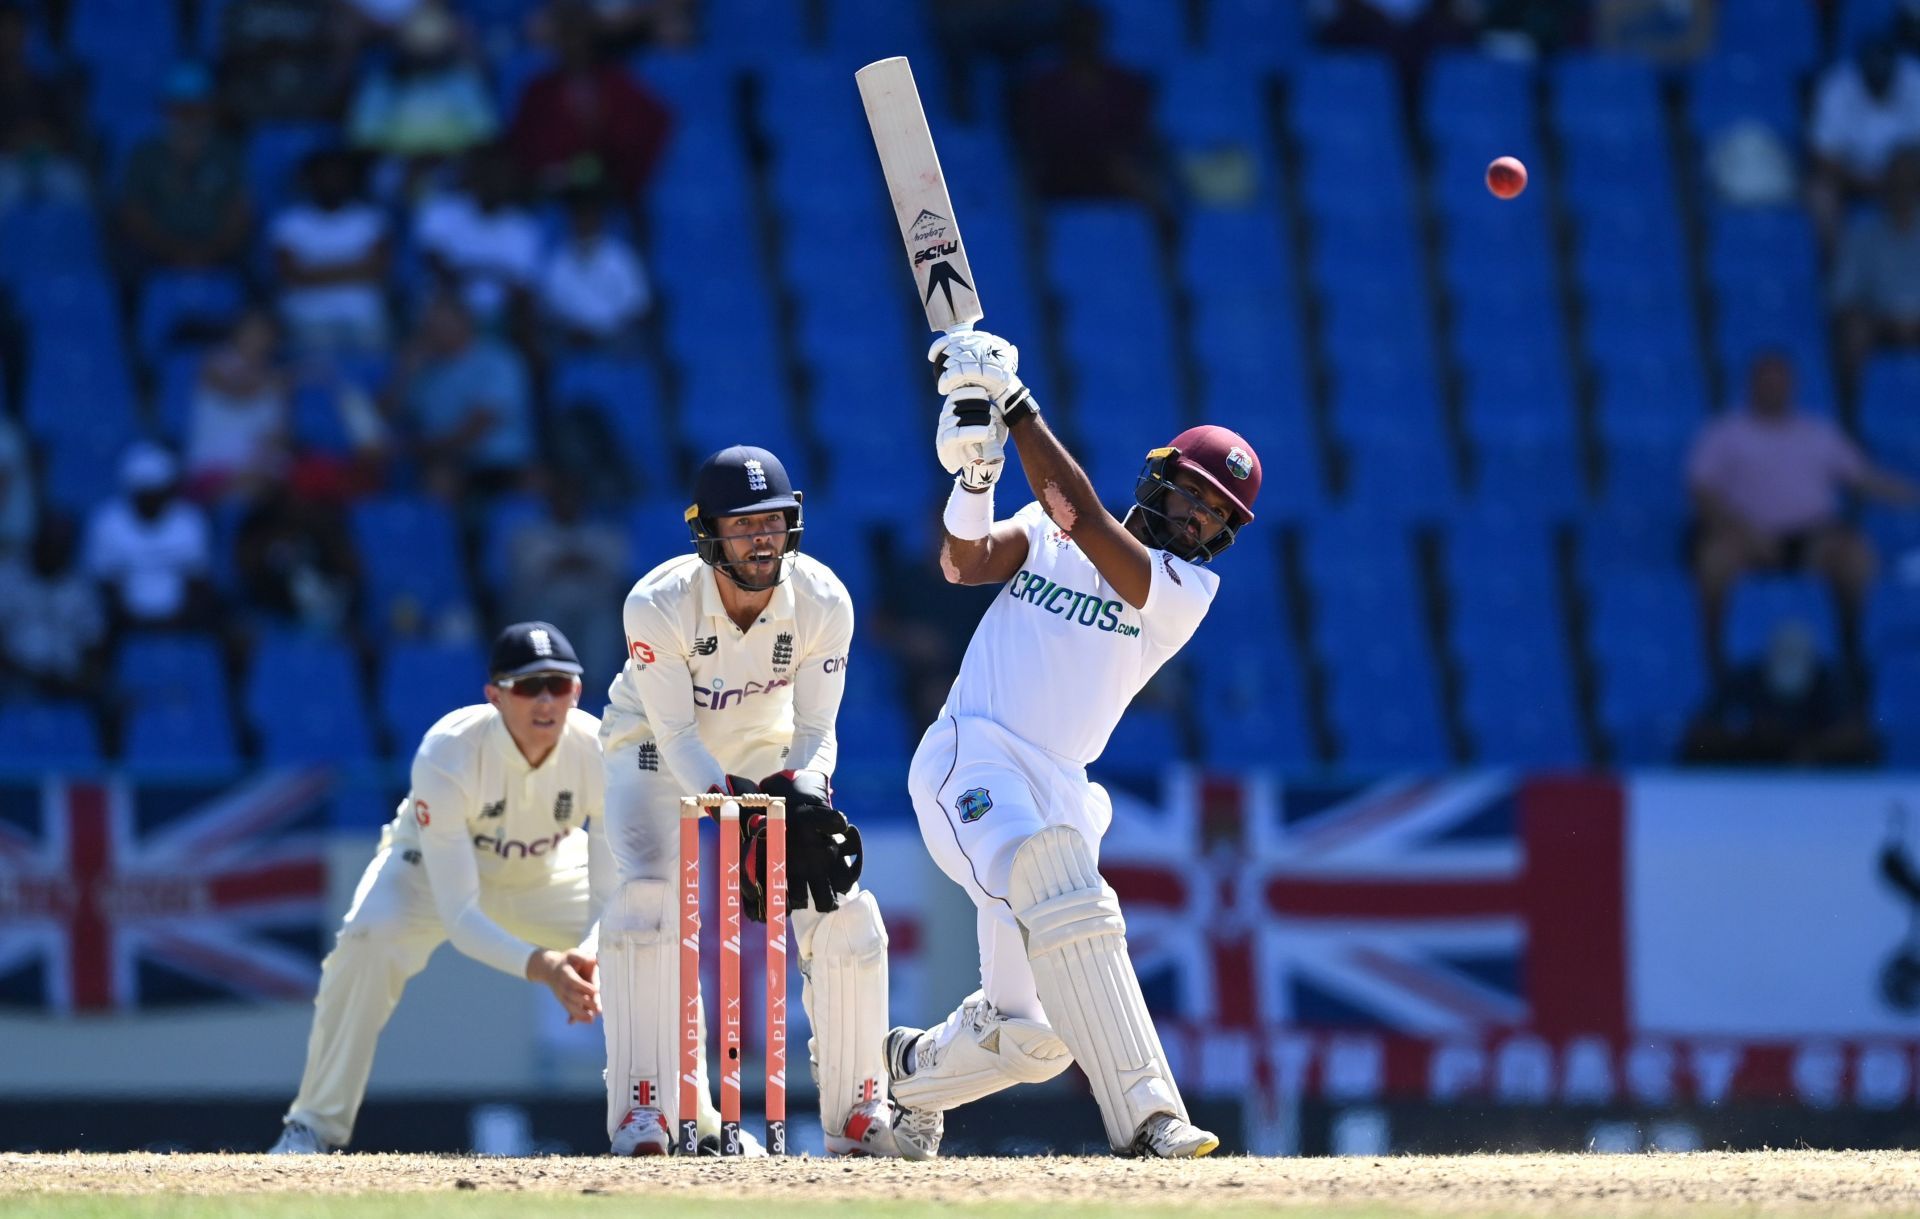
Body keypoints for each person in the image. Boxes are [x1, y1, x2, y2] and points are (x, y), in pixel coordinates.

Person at [885, 328, 1261, 1159]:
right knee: (1063, 892)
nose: (1198, 518)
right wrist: (975, 479)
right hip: (971, 758)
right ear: (1158, 478)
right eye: (1193, 494)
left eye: (1217, 515)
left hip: (1059, 786)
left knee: (1034, 1038)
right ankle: (1151, 1118)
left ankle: (903, 1077)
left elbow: (1083, 514)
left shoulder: (1183, 589)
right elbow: (965, 563)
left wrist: (1016, 409)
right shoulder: (1046, 537)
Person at [596, 445, 927, 1158]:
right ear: (706, 531)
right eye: (743, 525)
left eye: (773, 521)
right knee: (649, 898)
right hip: (652, 750)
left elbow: (815, 730)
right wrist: (738, 810)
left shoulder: (824, 600)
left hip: (762, 751)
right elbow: (680, 735)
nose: (761, 538)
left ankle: (858, 1106)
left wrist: (803, 798)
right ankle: (645, 1109)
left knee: (838, 900)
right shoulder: (656, 603)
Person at [271, 622, 613, 1154]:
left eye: (560, 684)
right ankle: (313, 1127)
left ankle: (695, 1123)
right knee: (368, 938)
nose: (546, 700)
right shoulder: (449, 751)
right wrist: (545, 966)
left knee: (647, 939)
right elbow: (460, 915)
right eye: (527, 687)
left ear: (577, 691)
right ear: (495, 696)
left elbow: (612, 891)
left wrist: (590, 953)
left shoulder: (597, 746)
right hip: (428, 874)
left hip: (545, 870)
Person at [1688, 349, 1920, 663]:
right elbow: (1701, 493)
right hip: (1745, 536)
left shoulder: (1819, 433)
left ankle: (1853, 654)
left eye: (1780, 382)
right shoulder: (1725, 432)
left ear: (1793, 386)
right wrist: (1742, 531)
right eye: (1766, 381)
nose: (1773, 388)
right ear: (1751, 384)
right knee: (1714, 560)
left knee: (1856, 557)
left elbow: (1865, 479)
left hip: (1813, 536)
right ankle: (1713, 657)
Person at [509, 0, 672, 198]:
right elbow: (525, 150)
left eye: (580, 34)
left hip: (610, 198)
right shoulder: (539, 92)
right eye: (567, 35)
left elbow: (646, 132)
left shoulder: (618, 85)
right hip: (554, 201)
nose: (574, 43)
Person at [1682, 619, 1879, 767]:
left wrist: (1809, 747)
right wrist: (1748, 739)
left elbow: (1858, 735)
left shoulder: (1829, 685)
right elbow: (1699, 735)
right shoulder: (1745, 682)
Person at [116, 63, 252, 274]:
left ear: (209, 109)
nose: (188, 117)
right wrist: (173, 252)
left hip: (219, 253)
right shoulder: (145, 155)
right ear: (166, 109)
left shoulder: (227, 153)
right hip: (156, 254)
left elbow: (239, 211)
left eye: (195, 108)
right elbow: (134, 214)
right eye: (180, 109)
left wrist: (210, 251)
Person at [83, 442, 216, 632]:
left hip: (181, 618)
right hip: (123, 620)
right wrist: (130, 621)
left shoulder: (190, 522)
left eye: (157, 492)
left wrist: (177, 620)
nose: (151, 500)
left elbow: (197, 581)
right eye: (144, 493)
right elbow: (105, 583)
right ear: (132, 492)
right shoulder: (107, 522)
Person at [270, 149, 392, 355]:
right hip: (307, 316)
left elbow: (377, 269)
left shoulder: (370, 219)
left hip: (362, 315)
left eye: (338, 176)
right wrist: (354, 268)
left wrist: (314, 271)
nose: (331, 182)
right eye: (324, 176)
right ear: (309, 180)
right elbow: (291, 275)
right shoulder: (289, 222)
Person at [183, 309, 291, 501]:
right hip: (212, 469)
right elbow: (238, 391)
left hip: (258, 474)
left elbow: (278, 435)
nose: (258, 339)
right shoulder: (215, 363)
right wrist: (290, 378)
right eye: (253, 331)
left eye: (265, 333)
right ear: (238, 332)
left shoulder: (274, 379)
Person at [1836, 145, 1920, 378]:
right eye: (1897, 182)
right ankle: (1852, 410)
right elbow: (1844, 295)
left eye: (1910, 182)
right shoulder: (1862, 236)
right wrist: (1885, 320)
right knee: (1854, 331)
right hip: (1881, 323)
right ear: (1886, 185)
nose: (1903, 189)